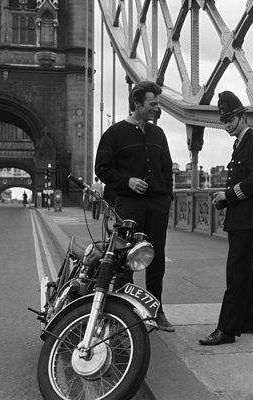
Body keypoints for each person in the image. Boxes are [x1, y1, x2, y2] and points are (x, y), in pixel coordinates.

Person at [95, 80, 175, 332]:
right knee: (124, 259)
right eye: (152, 104)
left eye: (157, 103)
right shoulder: (114, 134)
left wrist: (167, 198)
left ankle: (157, 310)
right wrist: (126, 181)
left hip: (156, 206)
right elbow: (102, 169)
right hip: (128, 206)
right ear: (137, 103)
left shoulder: (158, 134)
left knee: (157, 258)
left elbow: (167, 169)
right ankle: (122, 313)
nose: (156, 108)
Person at [199, 91, 253, 346]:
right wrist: (226, 198)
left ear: (243, 116)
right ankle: (252, 321)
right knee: (247, 270)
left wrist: (228, 196)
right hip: (241, 217)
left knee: (236, 273)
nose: (227, 125)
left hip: (247, 218)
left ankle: (226, 330)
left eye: (230, 120)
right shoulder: (239, 143)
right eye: (224, 121)